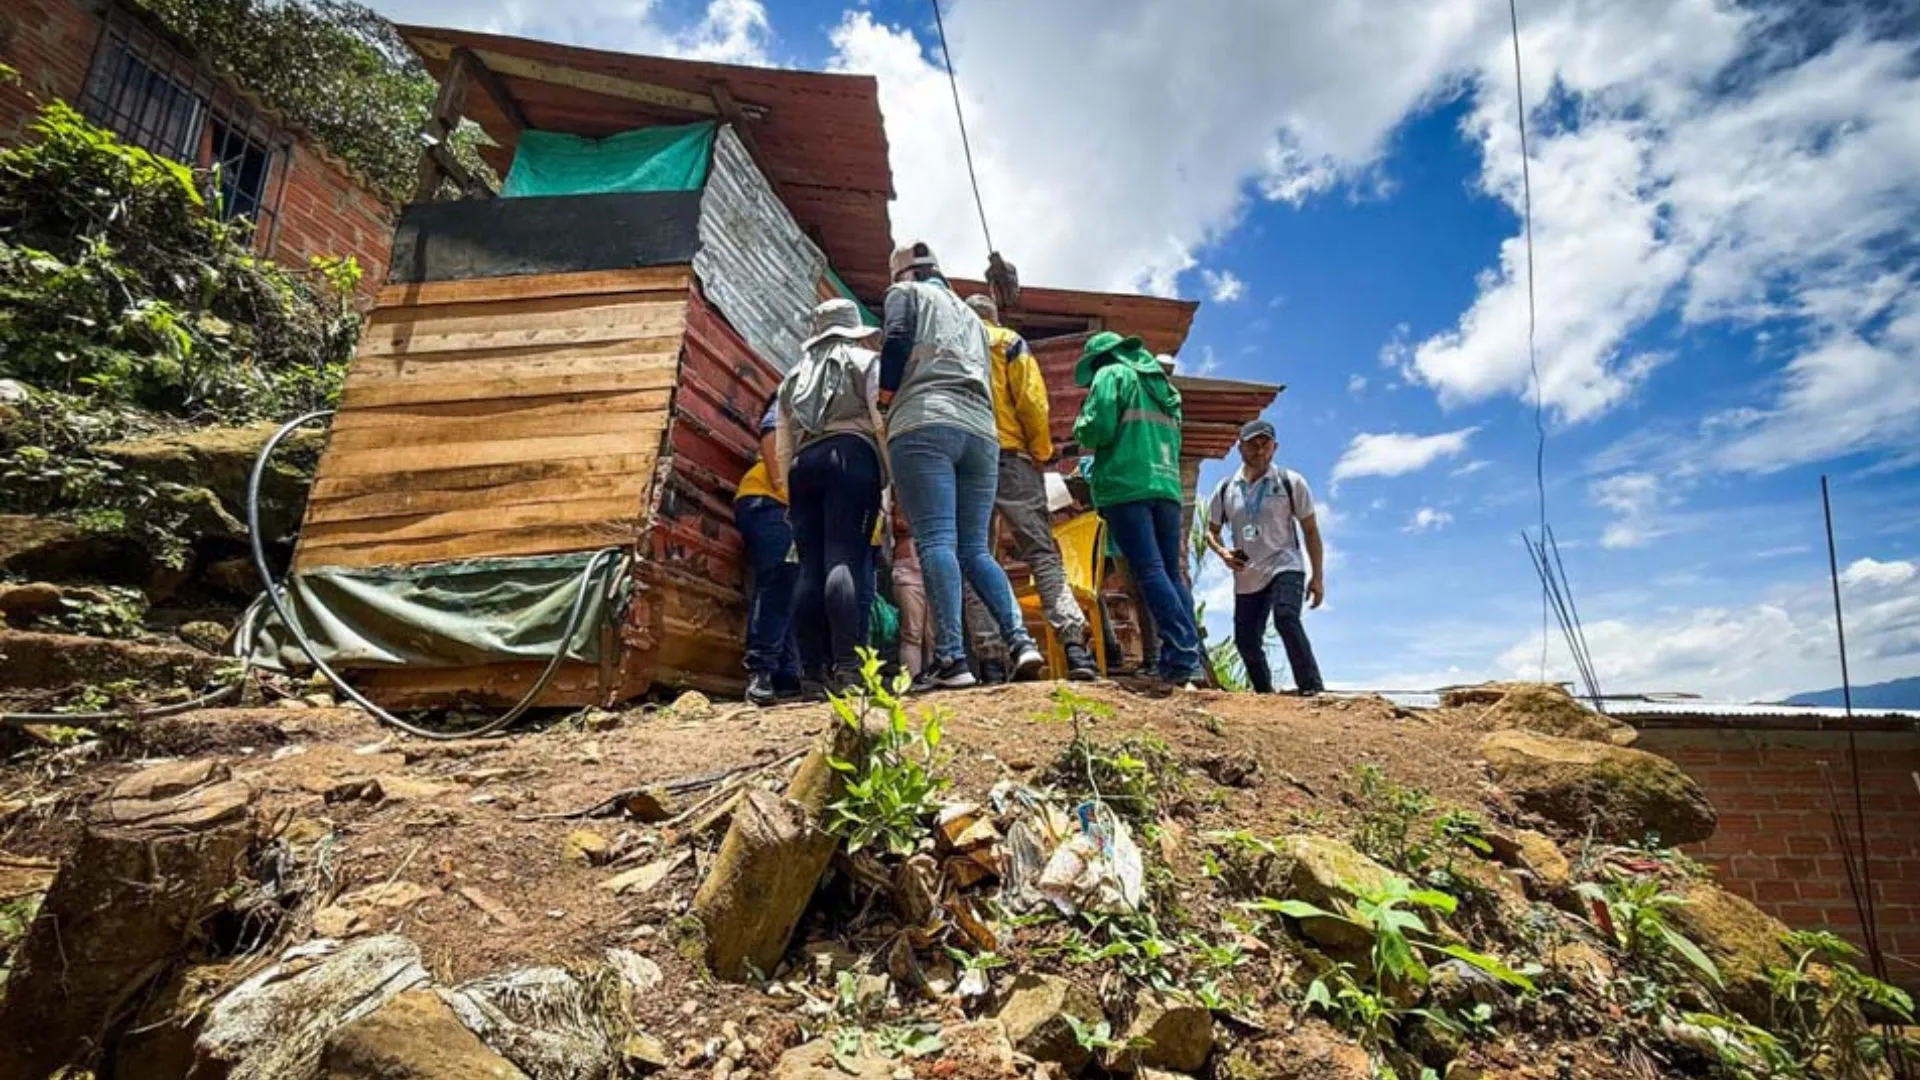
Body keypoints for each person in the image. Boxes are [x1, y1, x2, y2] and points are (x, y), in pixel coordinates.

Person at [879, 241, 1044, 689]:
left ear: (905, 274)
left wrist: (885, 397)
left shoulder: (905, 295)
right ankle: (1022, 640)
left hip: (924, 423)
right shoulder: (972, 316)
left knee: (936, 540)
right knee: (975, 549)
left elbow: (894, 340)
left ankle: (952, 660)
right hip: (982, 434)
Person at [957, 294, 1098, 681]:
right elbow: (1032, 402)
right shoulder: (1008, 342)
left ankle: (989, 660)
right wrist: (1041, 451)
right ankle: (1074, 648)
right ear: (994, 316)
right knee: (1041, 553)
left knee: (974, 556)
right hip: (1012, 455)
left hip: (968, 456)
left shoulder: (951, 343)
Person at [1071, 331, 1202, 686]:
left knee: (1149, 570)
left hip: (1127, 484)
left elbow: (1097, 427)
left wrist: (1079, 427)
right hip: (1166, 486)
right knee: (1171, 573)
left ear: (1100, 359)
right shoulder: (1164, 389)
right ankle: (1190, 659)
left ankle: (1184, 654)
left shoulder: (1111, 374)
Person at [773, 299, 887, 695]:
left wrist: (789, 493)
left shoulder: (791, 378)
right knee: (845, 558)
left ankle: (811, 673)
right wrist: (890, 478)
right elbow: (879, 420)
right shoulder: (866, 362)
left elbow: (782, 444)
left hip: (803, 466)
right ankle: (849, 668)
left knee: (810, 567)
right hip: (852, 456)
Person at [1204, 419, 1326, 695]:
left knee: (1286, 617)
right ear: (1240, 448)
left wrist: (1318, 577)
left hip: (1285, 563)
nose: (1259, 451)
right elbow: (1210, 531)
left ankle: (1312, 687)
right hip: (1248, 573)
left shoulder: (1290, 482)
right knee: (1246, 640)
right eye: (1252, 445)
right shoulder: (1226, 489)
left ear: (1274, 447)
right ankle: (1264, 694)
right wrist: (1222, 552)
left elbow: (1310, 530)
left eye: (1265, 445)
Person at [735, 395, 802, 705]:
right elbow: (771, 431)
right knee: (778, 580)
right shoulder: (792, 393)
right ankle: (761, 671)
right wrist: (782, 485)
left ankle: (786, 674)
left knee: (787, 584)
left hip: (780, 504)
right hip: (768, 498)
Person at [889, 499, 931, 677]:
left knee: (935, 635)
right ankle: (911, 680)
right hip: (907, 570)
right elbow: (899, 525)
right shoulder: (897, 493)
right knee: (911, 633)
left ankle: (937, 676)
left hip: (933, 572)